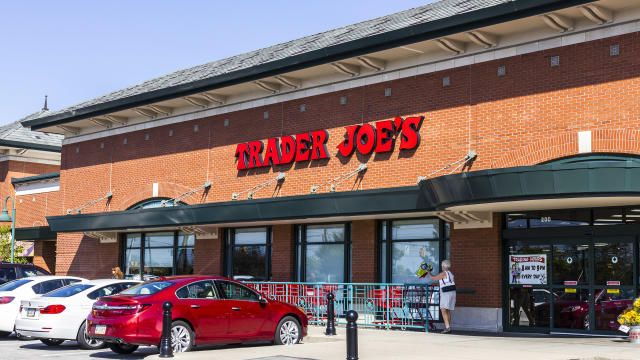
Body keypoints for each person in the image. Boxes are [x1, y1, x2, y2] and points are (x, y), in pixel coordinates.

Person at [428, 259, 456, 334]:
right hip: (452, 292)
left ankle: (447, 328)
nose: (441, 267)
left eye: (442, 266)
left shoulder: (444, 273)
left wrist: (429, 272)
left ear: (443, 266)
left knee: (443, 309)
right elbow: (447, 282)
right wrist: (437, 284)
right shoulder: (450, 274)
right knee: (448, 310)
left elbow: (433, 278)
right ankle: (448, 327)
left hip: (446, 293)